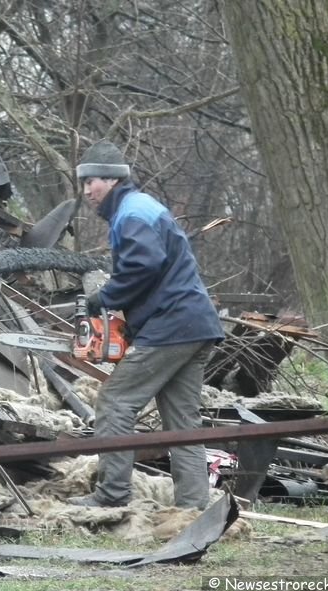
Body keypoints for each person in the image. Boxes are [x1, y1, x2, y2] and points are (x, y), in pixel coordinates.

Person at [68, 139, 224, 510]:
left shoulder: (132, 214)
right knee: (183, 423)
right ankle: (193, 508)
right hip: (195, 325)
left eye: (95, 181)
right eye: (85, 182)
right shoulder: (142, 208)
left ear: (114, 181)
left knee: (115, 402)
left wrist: (105, 298)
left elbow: (143, 265)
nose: (89, 190)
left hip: (172, 327)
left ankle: (111, 496)